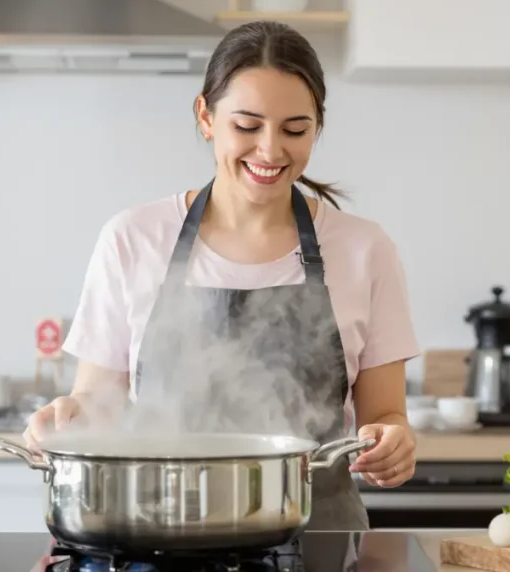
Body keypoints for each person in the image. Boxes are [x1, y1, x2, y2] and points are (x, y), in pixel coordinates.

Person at [23, 20, 420, 531]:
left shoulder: (366, 249)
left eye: (295, 129)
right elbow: (96, 406)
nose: (271, 151)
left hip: (320, 539)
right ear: (206, 116)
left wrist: (394, 443)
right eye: (247, 126)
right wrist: (67, 419)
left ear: (317, 126)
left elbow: (386, 416)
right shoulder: (133, 238)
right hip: (160, 535)